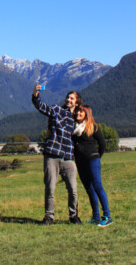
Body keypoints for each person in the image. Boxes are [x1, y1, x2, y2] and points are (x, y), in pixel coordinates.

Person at [32, 84, 83, 225]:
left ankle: (74, 216)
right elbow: (41, 107)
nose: (69, 100)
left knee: (73, 188)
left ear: (77, 102)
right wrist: (36, 94)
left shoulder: (78, 118)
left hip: (68, 157)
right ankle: (49, 217)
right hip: (52, 154)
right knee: (50, 188)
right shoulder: (56, 110)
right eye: (68, 97)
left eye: (72, 98)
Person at [71, 105, 112, 227]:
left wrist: (97, 156)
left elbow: (102, 143)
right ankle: (96, 217)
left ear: (86, 114)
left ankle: (107, 216)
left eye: (81, 112)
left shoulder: (92, 126)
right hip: (80, 161)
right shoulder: (73, 127)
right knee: (89, 189)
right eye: (77, 111)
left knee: (98, 187)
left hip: (92, 160)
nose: (78, 113)